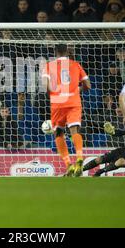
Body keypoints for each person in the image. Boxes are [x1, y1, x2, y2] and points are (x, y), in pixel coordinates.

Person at [42, 44, 91, 177]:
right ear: (67, 52)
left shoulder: (49, 65)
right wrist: (76, 90)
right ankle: (80, 157)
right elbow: (88, 85)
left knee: (58, 133)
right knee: (74, 130)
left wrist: (55, 93)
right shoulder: (76, 64)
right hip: (73, 101)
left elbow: (45, 85)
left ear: (56, 52)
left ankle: (69, 164)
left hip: (57, 103)